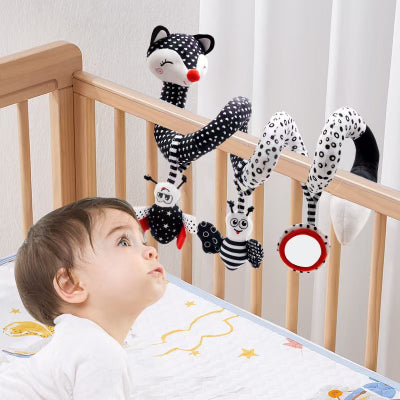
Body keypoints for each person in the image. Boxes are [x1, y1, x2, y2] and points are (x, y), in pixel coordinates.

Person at [0, 197, 167, 399]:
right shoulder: (100, 352)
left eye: (143, 242)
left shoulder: (79, 345)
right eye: (123, 242)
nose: (151, 251)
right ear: (71, 284)